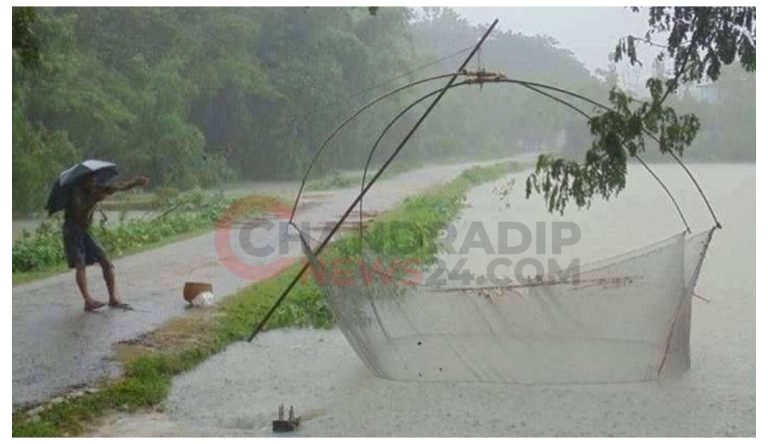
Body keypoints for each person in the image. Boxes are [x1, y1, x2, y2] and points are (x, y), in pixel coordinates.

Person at [63, 173, 150, 311]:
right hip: (72, 231)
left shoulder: (96, 189)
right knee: (80, 264)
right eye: (90, 180)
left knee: (106, 262)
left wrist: (135, 182)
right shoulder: (75, 193)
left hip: (86, 231)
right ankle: (88, 300)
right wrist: (93, 199)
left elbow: (117, 187)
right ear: (83, 181)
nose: (93, 183)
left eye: (94, 180)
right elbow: (78, 212)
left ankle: (113, 298)